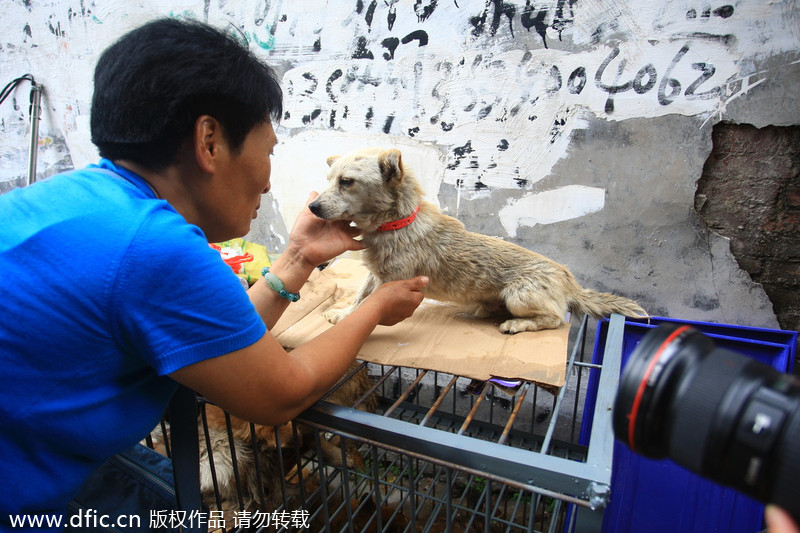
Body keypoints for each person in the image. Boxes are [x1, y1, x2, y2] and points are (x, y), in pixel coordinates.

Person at [0, 18, 428, 530]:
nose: (269, 182)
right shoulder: (154, 248)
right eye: (268, 152)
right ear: (209, 142)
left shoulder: (74, 203)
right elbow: (281, 394)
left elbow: (213, 337)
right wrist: (376, 306)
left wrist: (297, 259)